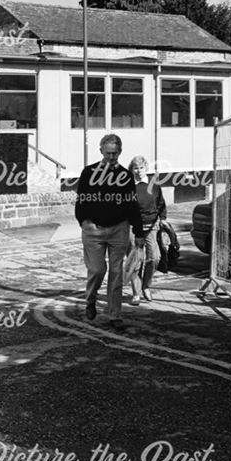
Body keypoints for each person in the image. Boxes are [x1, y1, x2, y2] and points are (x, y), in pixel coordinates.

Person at [75, 134, 145, 330]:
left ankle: (114, 314)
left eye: (115, 153)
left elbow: (132, 205)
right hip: (93, 229)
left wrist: (138, 232)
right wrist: (84, 222)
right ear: (101, 151)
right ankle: (90, 300)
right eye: (108, 153)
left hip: (118, 229)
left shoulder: (126, 176)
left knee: (116, 272)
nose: (111, 157)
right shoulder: (89, 173)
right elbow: (81, 200)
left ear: (120, 152)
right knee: (97, 270)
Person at [127, 156, 166, 305]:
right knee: (135, 261)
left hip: (151, 226)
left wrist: (163, 219)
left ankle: (146, 286)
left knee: (154, 257)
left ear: (146, 169)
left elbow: (161, 202)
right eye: (135, 168)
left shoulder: (154, 185)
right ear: (131, 170)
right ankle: (136, 293)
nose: (138, 171)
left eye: (141, 168)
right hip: (132, 227)